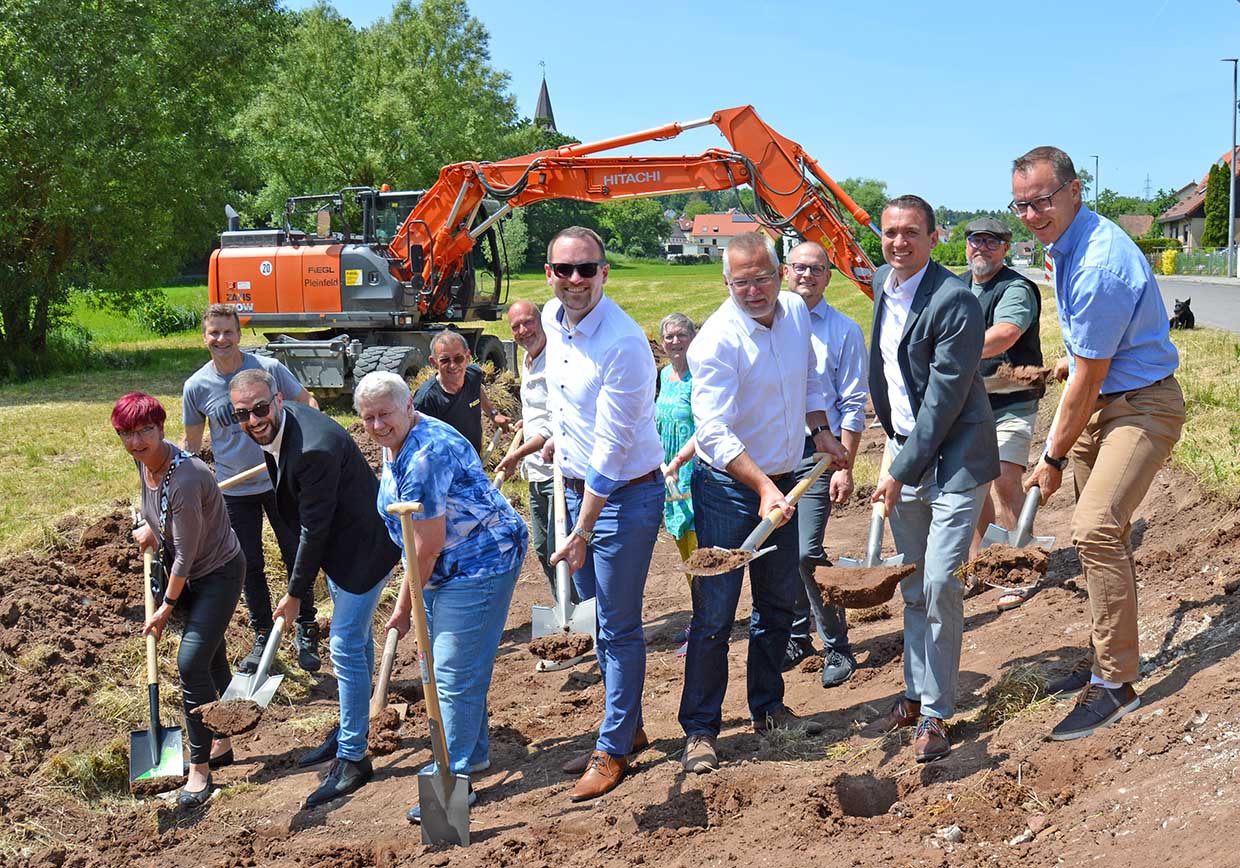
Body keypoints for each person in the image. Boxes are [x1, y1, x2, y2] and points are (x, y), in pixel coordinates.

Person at [1012, 147, 1184, 741]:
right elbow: (1090, 358)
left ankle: (1116, 683)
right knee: (1098, 540)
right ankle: (1105, 655)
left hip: (1142, 406)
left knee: (1095, 527)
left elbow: (1089, 378)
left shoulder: (1098, 263)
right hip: (1108, 397)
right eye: (1022, 204)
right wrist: (1074, 363)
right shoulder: (1067, 247)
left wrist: (1051, 457)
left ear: (1075, 190)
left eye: (1043, 200)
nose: (1033, 214)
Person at [679, 232, 848, 775]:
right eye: (741, 282)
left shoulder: (796, 312)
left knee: (776, 606)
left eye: (762, 278)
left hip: (782, 476)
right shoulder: (716, 343)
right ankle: (701, 730)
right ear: (725, 282)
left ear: (780, 274)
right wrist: (761, 487)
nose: (753, 291)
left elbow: (811, 379)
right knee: (714, 613)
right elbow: (713, 434)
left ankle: (768, 708)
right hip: (729, 489)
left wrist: (820, 429)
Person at [355, 372, 527, 823]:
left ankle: (454, 775)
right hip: (439, 567)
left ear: (408, 405)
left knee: (450, 666)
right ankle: (477, 752)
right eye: (368, 417)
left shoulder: (426, 455)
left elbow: (427, 545)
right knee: (448, 665)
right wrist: (411, 598)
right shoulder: (395, 442)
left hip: (480, 561)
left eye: (384, 415)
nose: (375, 425)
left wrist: (403, 607)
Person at [862, 196, 998, 763]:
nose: (899, 242)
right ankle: (916, 694)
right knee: (916, 585)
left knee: (942, 582)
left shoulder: (955, 299)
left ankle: (938, 716)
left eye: (911, 232)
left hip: (956, 459)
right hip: (906, 452)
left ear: (934, 236)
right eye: (890, 232)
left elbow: (943, 402)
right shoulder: (881, 284)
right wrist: (892, 449)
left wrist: (897, 470)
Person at [229, 368, 401, 808]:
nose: (253, 419)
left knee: (344, 644)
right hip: (344, 549)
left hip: (364, 550)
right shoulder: (279, 432)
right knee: (357, 641)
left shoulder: (313, 449)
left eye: (261, 408)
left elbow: (314, 528)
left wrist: (294, 593)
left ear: (279, 401)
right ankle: (352, 730)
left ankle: (354, 758)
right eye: (243, 413)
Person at [541, 226, 665, 801]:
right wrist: (556, 441)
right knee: (594, 617)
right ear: (549, 273)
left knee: (618, 624)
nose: (574, 281)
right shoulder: (550, 319)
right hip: (574, 488)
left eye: (585, 269)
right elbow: (566, 400)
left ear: (605, 272)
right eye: (563, 269)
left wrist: (584, 527)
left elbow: (614, 449)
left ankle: (613, 749)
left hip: (623, 497)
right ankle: (630, 725)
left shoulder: (623, 344)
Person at [118, 392, 244, 808]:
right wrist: (150, 529)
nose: (137, 442)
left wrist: (163, 608)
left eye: (145, 432)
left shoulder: (187, 477)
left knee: (189, 663)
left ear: (162, 428)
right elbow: (153, 508)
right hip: (188, 573)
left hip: (218, 574)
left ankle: (199, 770)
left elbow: (187, 555)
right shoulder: (145, 462)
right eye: (128, 434)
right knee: (209, 659)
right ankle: (222, 738)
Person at [182, 303, 323, 675]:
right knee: (248, 565)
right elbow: (192, 445)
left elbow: (307, 402)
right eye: (214, 332)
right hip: (233, 490)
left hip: (279, 480)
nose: (221, 339)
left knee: (296, 554)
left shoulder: (268, 370)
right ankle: (263, 635)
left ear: (239, 333)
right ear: (204, 336)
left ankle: (307, 629)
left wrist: (307, 444)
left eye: (228, 331)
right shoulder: (196, 387)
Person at [778, 241, 870, 686]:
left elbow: (853, 404)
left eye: (816, 269)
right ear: (784, 272)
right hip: (770, 458)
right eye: (799, 267)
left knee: (805, 551)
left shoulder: (844, 331)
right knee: (781, 551)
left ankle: (837, 645)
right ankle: (797, 636)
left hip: (817, 458)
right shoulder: (767, 324)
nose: (807, 276)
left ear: (828, 277)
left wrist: (847, 465)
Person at [961, 217, 1045, 610]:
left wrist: (951, 348)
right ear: (966, 246)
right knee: (973, 483)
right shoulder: (957, 287)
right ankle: (981, 564)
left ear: (1005, 249)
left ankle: (1020, 565)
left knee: (1005, 477)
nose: (983, 248)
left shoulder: (1014, 288)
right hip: (969, 402)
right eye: (976, 241)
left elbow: (1006, 333)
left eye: (992, 243)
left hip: (1012, 399)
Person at [494, 300, 557, 596]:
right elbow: (539, 413)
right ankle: (564, 605)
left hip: (560, 472)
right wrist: (524, 425)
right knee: (543, 548)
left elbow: (557, 423)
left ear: (541, 321)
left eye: (528, 322)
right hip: (535, 473)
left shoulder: (557, 360)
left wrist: (515, 454)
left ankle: (583, 609)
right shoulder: (527, 360)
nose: (523, 330)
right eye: (516, 326)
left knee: (563, 548)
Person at [654, 312, 698, 658]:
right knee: (683, 546)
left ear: (692, 337)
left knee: (699, 550)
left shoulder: (700, 376)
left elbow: (708, 426)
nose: (675, 341)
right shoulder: (664, 376)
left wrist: (679, 462)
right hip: (667, 474)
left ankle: (706, 622)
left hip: (692, 472)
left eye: (681, 335)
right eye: (669, 336)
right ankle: (699, 616)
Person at [413, 330, 511, 455]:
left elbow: (477, 390)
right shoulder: (426, 400)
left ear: (468, 357)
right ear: (434, 362)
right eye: (445, 360)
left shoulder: (473, 375)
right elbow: (417, 442)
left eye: (458, 358)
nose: (453, 365)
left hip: (473, 458)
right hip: (446, 468)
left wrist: (493, 414)